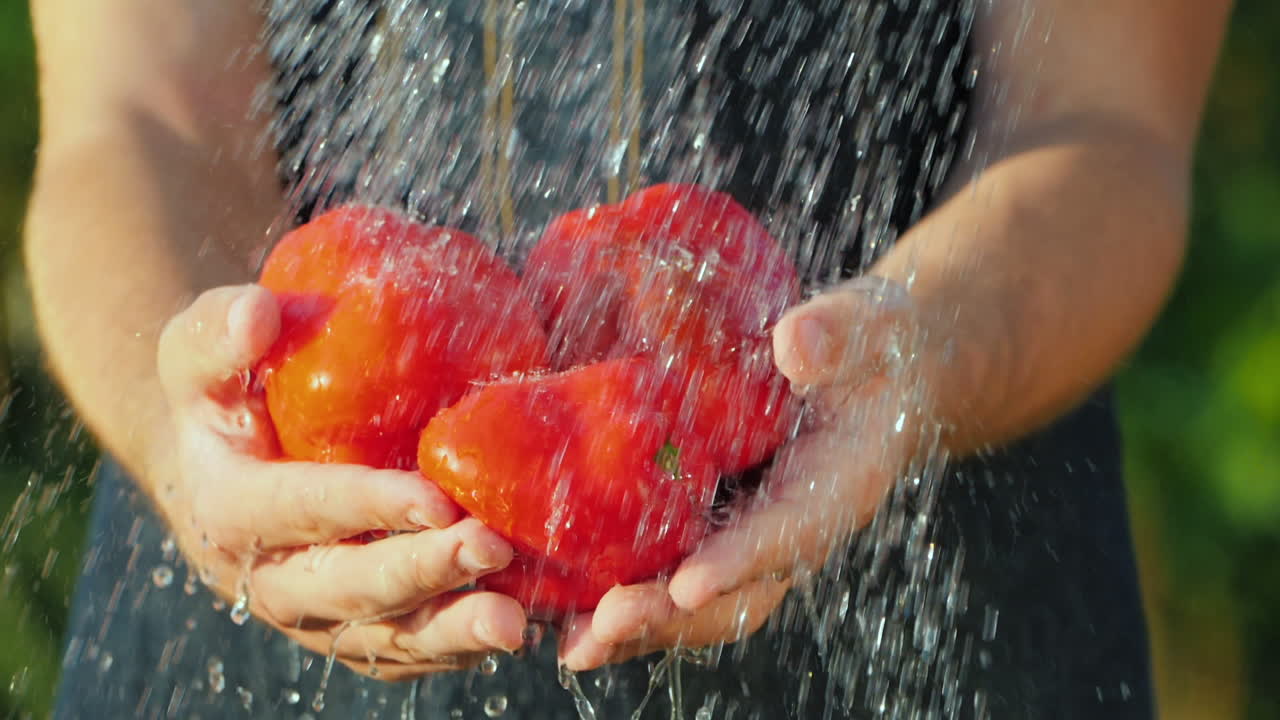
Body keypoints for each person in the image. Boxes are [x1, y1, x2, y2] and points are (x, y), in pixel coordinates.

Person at [25, 0, 1231, 717]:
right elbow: (133, 118)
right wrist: (179, 428)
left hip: (921, 564)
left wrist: (914, 347)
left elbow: (1105, 126)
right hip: (274, 573)